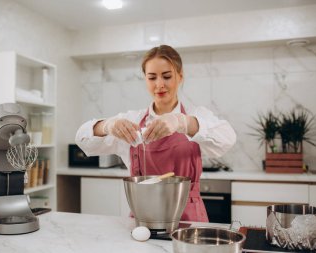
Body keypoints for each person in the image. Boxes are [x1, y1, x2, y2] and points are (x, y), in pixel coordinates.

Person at [75, 44, 236, 222]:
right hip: (143, 217)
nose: (159, 85)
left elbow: (228, 138)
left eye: (167, 76)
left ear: (180, 76)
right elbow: (82, 140)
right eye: (152, 78)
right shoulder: (133, 121)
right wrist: (106, 126)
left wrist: (182, 122)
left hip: (189, 220)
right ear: (145, 80)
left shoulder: (196, 116)